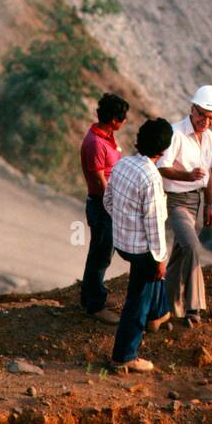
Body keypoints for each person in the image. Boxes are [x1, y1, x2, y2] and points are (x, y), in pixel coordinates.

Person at [104, 118, 174, 373]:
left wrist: (124, 224)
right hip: (141, 249)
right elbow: (155, 225)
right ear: (164, 150)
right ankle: (124, 356)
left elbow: (108, 199)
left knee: (149, 282)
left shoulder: (123, 164)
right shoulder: (151, 178)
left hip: (122, 242)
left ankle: (157, 314)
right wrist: (160, 259)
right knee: (136, 300)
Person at [157, 84, 212, 326]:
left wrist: (209, 204)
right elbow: (161, 167)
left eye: (211, 118)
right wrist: (187, 177)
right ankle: (194, 308)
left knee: (180, 253)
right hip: (176, 201)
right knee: (193, 246)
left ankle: (169, 306)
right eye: (202, 115)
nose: (206, 121)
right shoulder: (175, 134)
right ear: (192, 109)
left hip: (196, 201)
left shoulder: (209, 137)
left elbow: (209, 172)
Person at [79, 93, 129, 324]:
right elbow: (100, 180)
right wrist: (116, 204)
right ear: (113, 121)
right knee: (101, 254)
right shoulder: (95, 143)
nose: (125, 122)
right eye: (122, 118)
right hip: (102, 205)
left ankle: (90, 295)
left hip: (106, 203)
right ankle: (95, 305)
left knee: (100, 252)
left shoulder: (106, 137)